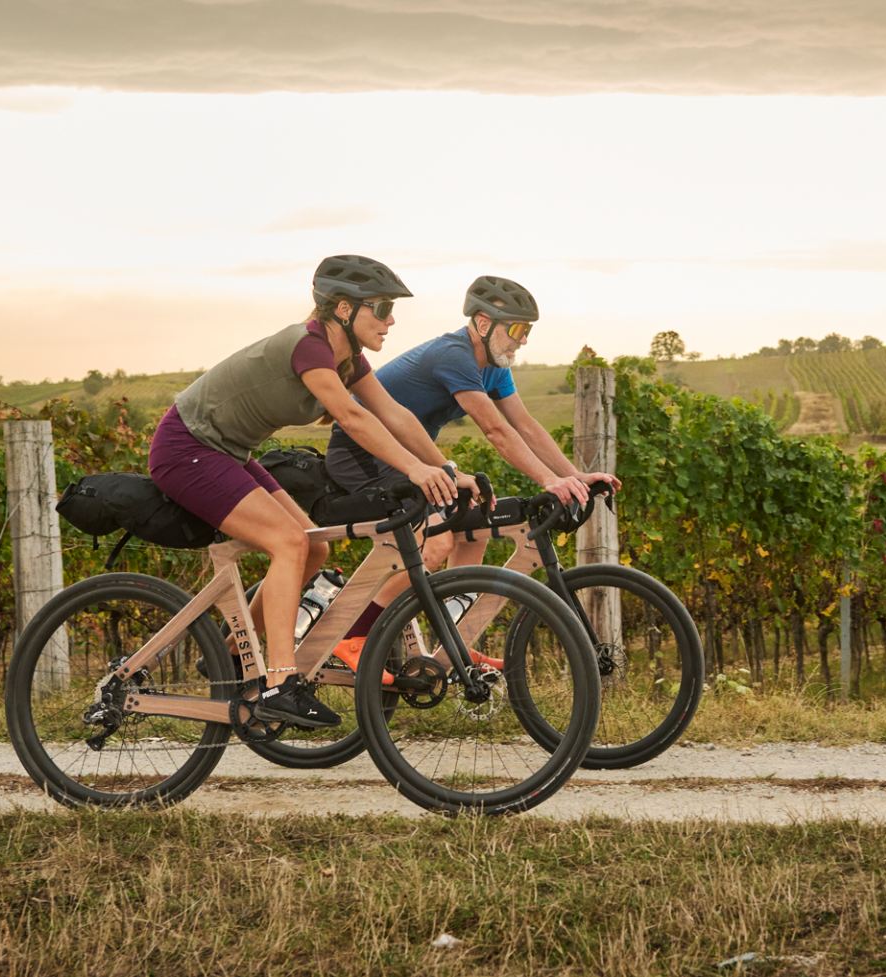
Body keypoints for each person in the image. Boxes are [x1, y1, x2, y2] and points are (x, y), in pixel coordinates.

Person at [148, 255, 472, 727]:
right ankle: (281, 684)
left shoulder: (348, 358)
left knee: (312, 546)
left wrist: (442, 467)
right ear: (344, 309)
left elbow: (394, 413)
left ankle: (230, 655)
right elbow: (354, 417)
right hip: (187, 448)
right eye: (381, 308)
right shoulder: (309, 348)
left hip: (228, 451)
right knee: (289, 542)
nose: (391, 319)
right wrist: (416, 471)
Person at [321, 275, 620, 666]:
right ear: (483, 324)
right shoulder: (453, 355)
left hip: (406, 455)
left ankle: (453, 644)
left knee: (472, 525)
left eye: (527, 330)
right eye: (516, 329)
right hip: (360, 453)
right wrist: (548, 480)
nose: (523, 340)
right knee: (437, 543)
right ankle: (354, 634)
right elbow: (496, 431)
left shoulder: (493, 366)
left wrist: (572, 475)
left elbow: (524, 425)